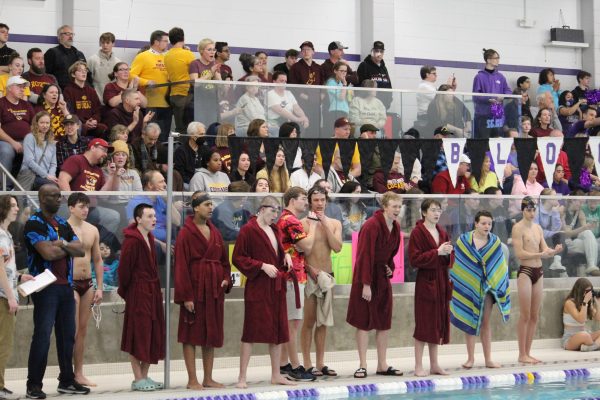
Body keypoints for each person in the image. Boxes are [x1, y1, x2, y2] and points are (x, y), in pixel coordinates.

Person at [23, 184, 88, 399]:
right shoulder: (34, 222)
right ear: (42, 198)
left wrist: (60, 243)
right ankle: (33, 385)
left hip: (65, 286)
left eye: (60, 196)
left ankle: (67, 381)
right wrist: (64, 247)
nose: (58, 199)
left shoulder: (62, 223)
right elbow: (47, 254)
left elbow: (80, 249)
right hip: (45, 288)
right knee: (42, 336)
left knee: (67, 336)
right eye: (53, 196)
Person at [232, 196, 295, 388]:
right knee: (250, 331)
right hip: (258, 287)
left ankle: (276, 374)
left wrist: (285, 256)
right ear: (261, 209)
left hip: (275, 287)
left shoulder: (274, 229)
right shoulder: (248, 230)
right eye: (273, 210)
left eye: (278, 211)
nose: (275, 215)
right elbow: (238, 258)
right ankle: (242, 377)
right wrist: (260, 266)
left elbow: (277, 249)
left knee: (277, 331)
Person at [174, 192, 231, 390]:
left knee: (211, 333)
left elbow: (224, 261)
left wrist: (225, 278)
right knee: (190, 334)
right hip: (195, 289)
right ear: (196, 207)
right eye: (207, 204)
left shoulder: (215, 231)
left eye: (211, 204)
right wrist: (186, 296)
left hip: (214, 290)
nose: (210, 208)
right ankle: (192, 379)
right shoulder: (185, 233)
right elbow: (181, 266)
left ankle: (208, 377)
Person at [347, 192, 403, 378]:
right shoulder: (371, 226)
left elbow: (391, 254)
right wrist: (365, 284)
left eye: (399, 206)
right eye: (394, 206)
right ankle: (362, 365)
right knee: (363, 322)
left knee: (383, 323)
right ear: (385, 206)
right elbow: (363, 256)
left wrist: (390, 268)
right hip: (366, 278)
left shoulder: (395, 227)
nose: (397, 210)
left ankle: (382, 364)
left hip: (382, 277)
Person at [450, 210, 510, 369]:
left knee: (485, 322)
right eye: (483, 223)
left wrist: (497, 283)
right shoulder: (463, 241)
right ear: (476, 223)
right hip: (469, 286)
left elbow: (500, 266)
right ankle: (470, 358)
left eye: (489, 224)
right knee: (470, 319)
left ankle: (488, 359)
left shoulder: (495, 242)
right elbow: (458, 265)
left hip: (488, 288)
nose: (487, 226)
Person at [118, 203, 165, 392]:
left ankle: (144, 376)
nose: (154, 219)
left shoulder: (149, 237)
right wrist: (129, 292)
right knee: (138, 332)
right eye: (149, 216)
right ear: (138, 219)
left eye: (154, 216)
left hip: (152, 290)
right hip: (138, 291)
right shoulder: (132, 240)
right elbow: (124, 271)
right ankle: (138, 378)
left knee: (152, 331)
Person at [512, 196, 562, 364]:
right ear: (523, 210)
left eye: (534, 210)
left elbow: (544, 249)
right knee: (525, 315)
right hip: (525, 272)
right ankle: (521, 354)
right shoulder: (517, 228)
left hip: (539, 272)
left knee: (534, 316)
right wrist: (540, 254)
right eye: (528, 210)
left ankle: (528, 352)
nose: (532, 213)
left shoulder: (538, 228)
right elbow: (519, 254)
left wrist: (553, 251)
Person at [300, 186, 342, 377]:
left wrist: (324, 223)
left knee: (323, 322)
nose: (319, 203)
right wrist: (311, 271)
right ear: (310, 201)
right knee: (308, 321)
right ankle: (308, 363)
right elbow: (300, 254)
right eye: (316, 200)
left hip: (327, 277)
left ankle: (320, 362)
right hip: (310, 276)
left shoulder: (334, 223)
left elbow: (337, 247)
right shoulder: (302, 223)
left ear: (326, 201)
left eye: (322, 200)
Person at [408, 198, 453, 377]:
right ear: (424, 212)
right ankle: (419, 365)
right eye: (433, 210)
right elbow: (414, 259)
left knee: (437, 324)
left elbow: (450, 258)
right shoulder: (418, 232)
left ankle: (434, 364)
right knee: (424, 325)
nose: (436, 213)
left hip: (441, 281)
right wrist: (437, 253)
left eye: (439, 210)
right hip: (426, 282)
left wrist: (447, 254)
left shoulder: (442, 232)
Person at [277, 187, 317, 382]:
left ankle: (284, 362)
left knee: (290, 322)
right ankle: (295, 366)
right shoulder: (291, 220)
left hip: (293, 276)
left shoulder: (284, 219)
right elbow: (307, 247)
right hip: (293, 277)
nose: (306, 203)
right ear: (292, 200)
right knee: (293, 324)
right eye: (303, 199)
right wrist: (315, 226)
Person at [65, 193, 103, 387]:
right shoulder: (62, 228)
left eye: (87, 206)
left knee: (82, 330)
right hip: (70, 283)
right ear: (71, 208)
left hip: (87, 283)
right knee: (71, 330)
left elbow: (97, 259)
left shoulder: (92, 230)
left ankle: (79, 372)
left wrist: (100, 287)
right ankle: (68, 373)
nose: (85, 210)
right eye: (81, 206)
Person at [0, 195, 34, 400]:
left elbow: (8, 267)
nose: (16, 208)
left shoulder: (7, 234)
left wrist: (21, 276)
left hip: (6, 292)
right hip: (3, 296)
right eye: (12, 205)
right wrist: (11, 296)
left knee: (4, 342)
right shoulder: (1, 236)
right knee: (3, 343)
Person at [57, 137, 120, 233]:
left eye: (106, 152)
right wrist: (74, 203)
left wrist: (111, 176)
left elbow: (103, 196)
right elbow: (62, 180)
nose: (105, 154)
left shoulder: (98, 170)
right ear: (93, 148)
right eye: (103, 150)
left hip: (90, 209)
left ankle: (100, 246)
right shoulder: (76, 159)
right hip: (70, 207)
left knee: (113, 216)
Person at [130, 30, 171, 141]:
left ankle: (162, 156)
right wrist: (146, 82)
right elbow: (131, 75)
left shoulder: (168, 57)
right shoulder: (143, 56)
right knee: (150, 133)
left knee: (164, 135)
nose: (167, 43)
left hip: (167, 102)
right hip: (149, 102)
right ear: (157, 42)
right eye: (165, 41)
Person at [472, 48, 511, 138]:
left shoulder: (500, 77)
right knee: (484, 143)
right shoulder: (479, 77)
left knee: (497, 141)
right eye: (496, 58)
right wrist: (488, 99)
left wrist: (503, 96)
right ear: (488, 60)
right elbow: (475, 97)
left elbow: (508, 90)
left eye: (498, 58)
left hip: (497, 115)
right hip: (483, 116)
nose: (498, 60)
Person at [0, 76, 35, 176]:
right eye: (19, 86)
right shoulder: (1, 103)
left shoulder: (26, 105)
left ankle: (24, 184)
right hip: (5, 141)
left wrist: (30, 142)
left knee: (34, 150)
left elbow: (35, 126)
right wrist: (13, 142)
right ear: (9, 88)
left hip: (26, 140)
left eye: (23, 87)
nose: (22, 89)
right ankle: (4, 187)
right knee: (6, 151)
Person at [63, 61, 107, 138]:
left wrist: (94, 120)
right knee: (81, 128)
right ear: (73, 74)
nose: (84, 73)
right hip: (78, 124)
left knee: (104, 128)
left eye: (85, 70)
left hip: (92, 123)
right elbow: (70, 111)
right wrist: (84, 122)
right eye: (80, 71)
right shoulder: (68, 90)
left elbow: (98, 109)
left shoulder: (91, 90)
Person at [18, 111, 58, 190]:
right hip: (31, 176)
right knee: (52, 187)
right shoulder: (30, 138)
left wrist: (51, 176)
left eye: (47, 123)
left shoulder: (51, 142)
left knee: (57, 184)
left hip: (45, 177)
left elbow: (53, 164)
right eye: (42, 123)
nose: (45, 125)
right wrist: (46, 176)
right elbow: (29, 161)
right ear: (36, 124)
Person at [44, 25, 90, 90]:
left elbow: (87, 75)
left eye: (72, 34)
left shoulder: (79, 54)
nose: (70, 36)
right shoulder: (52, 52)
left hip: (79, 92)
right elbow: (47, 75)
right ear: (59, 36)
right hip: (61, 91)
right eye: (67, 34)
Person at [562, 278, 600, 351]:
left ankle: (591, 347)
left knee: (586, 335)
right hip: (570, 338)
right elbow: (581, 320)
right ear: (580, 291)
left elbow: (598, 318)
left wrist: (598, 304)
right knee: (585, 335)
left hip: (586, 335)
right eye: (587, 291)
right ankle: (595, 346)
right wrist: (585, 301)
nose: (588, 294)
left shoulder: (587, 304)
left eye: (590, 291)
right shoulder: (569, 303)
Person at [357, 41, 392, 109]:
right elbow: (359, 86)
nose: (379, 54)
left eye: (381, 51)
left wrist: (388, 102)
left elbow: (389, 86)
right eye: (376, 51)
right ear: (372, 51)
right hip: (367, 107)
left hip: (383, 106)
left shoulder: (384, 68)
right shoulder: (364, 65)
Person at [87, 32, 121, 101]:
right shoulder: (92, 60)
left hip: (112, 99)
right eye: (103, 43)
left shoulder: (118, 62)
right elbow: (87, 80)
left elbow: (119, 81)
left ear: (113, 44)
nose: (105, 45)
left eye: (108, 43)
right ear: (100, 44)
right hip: (96, 98)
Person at [174, 121, 207, 187]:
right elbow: (180, 172)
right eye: (201, 134)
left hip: (204, 182)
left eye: (204, 134)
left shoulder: (206, 149)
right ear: (192, 135)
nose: (203, 136)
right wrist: (193, 182)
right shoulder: (181, 151)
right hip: (187, 183)